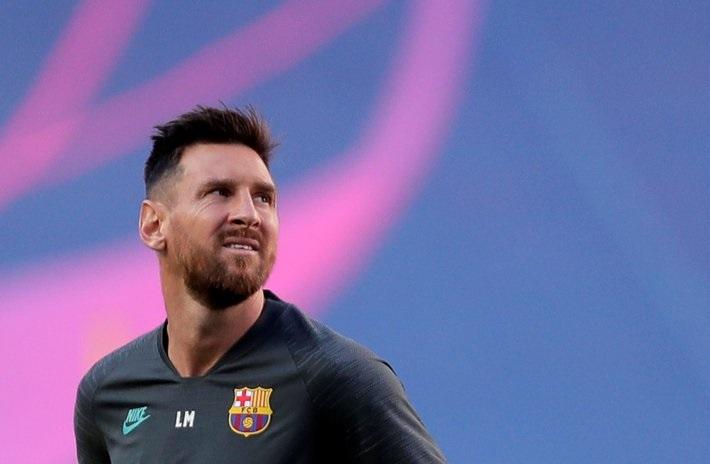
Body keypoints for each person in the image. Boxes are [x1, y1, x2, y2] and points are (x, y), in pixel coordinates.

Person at [74, 106, 446, 463]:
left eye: (263, 198)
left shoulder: (337, 376)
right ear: (154, 225)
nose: (249, 215)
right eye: (219, 192)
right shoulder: (107, 392)